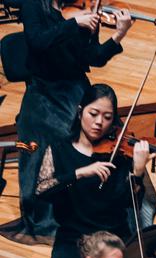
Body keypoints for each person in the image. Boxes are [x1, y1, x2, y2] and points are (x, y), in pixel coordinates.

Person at [5, 0, 129, 243]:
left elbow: (93, 57)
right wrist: (74, 24)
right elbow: (38, 42)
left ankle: (99, 205)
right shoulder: (34, 6)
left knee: (102, 132)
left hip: (75, 89)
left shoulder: (84, 8)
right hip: (43, 93)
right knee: (64, 136)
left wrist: (119, 34)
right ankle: (61, 211)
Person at [34, 84, 156, 258]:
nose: (99, 122)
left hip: (113, 238)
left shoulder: (120, 155)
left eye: (107, 117)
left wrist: (138, 173)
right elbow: (42, 191)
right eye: (93, 114)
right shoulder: (59, 149)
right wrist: (80, 173)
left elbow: (130, 203)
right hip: (74, 238)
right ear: (81, 111)